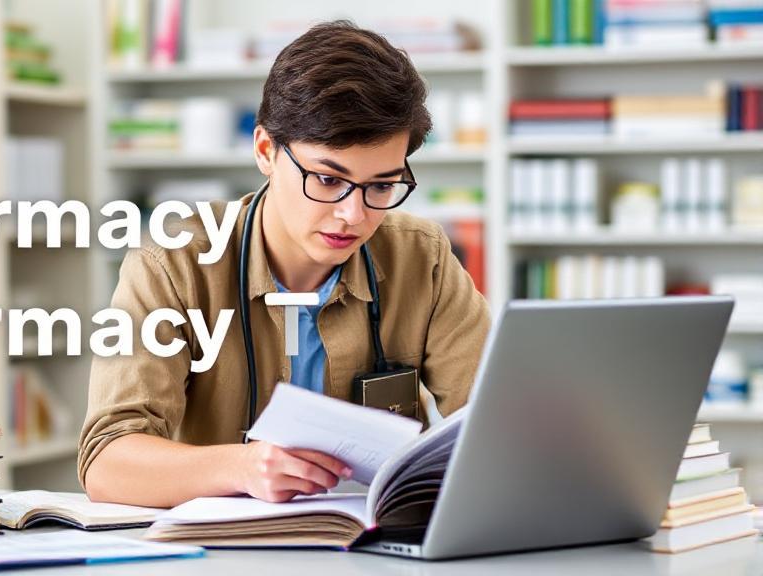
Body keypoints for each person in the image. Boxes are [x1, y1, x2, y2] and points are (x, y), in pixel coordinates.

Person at [78, 20, 490, 508]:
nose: (353, 214)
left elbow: (500, 419)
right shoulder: (173, 264)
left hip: (376, 540)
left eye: (381, 186)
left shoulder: (422, 257)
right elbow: (106, 462)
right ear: (265, 151)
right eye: (327, 179)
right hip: (217, 545)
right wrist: (242, 467)